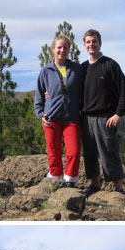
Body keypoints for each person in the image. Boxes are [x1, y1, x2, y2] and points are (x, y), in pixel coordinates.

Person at [80, 29, 125, 196]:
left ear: (100, 43)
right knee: (90, 154)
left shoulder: (110, 65)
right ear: (84, 45)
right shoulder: (83, 68)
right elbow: (69, 89)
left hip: (105, 118)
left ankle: (119, 187)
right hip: (86, 118)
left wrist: (118, 114)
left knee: (110, 152)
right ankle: (95, 185)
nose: (91, 44)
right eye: (88, 42)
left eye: (94, 41)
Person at [35, 34, 84, 185]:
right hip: (51, 117)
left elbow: (84, 89)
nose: (62, 50)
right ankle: (55, 180)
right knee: (53, 152)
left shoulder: (77, 68)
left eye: (65, 47)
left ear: (69, 50)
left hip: (72, 117)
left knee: (74, 152)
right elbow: (39, 95)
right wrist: (40, 114)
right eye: (59, 47)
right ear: (53, 49)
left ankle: (70, 181)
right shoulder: (46, 70)